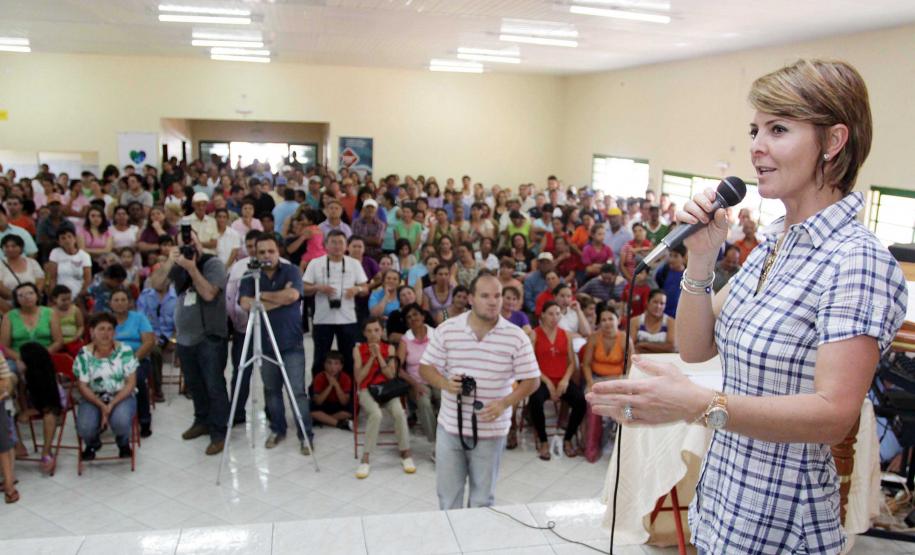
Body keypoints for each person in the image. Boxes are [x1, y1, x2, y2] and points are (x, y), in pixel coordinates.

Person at [588, 59, 908, 554]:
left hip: (782, 524)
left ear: (833, 140)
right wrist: (701, 259)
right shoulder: (775, 244)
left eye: (778, 129)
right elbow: (696, 348)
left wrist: (696, 404)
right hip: (724, 503)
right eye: (755, 130)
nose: (756, 145)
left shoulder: (855, 259)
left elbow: (833, 415)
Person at [420, 274, 539, 508]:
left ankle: (475, 533)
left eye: (497, 296)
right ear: (471, 299)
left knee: (482, 500)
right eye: (485, 296)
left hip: (491, 431)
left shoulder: (515, 336)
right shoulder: (447, 329)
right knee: (448, 497)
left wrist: (505, 403)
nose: (493, 302)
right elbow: (425, 368)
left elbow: (532, 380)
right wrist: (445, 384)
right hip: (450, 428)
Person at [149, 228, 229, 455]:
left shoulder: (213, 264)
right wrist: (169, 262)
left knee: (214, 385)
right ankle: (201, 421)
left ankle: (219, 432)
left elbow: (209, 294)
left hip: (209, 337)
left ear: (199, 241)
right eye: (183, 242)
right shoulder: (178, 265)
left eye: (191, 240)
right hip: (185, 338)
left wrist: (192, 268)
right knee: (194, 384)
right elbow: (156, 284)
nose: (188, 245)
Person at [239, 234, 314, 455]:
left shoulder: (292, 271)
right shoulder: (249, 276)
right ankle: (277, 429)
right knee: (271, 391)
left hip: (291, 343)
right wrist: (279, 299)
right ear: (255, 254)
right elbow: (245, 304)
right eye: (261, 252)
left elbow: (292, 296)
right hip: (264, 345)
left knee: (297, 392)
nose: (266, 255)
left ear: (278, 251)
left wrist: (260, 296)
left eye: (271, 251)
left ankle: (305, 435)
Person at [353, 317, 415, 478]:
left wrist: (379, 356)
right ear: (364, 333)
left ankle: (405, 452)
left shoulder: (390, 348)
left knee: (400, 412)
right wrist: (371, 358)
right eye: (369, 331)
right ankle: (366, 457)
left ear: (382, 332)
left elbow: (390, 375)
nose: (373, 334)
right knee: (376, 414)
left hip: (386, 390)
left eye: (376, 330)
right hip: (366, 389)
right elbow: (359, 379)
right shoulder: (358, 349)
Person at [303, 230, 369, 377]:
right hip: (322, 319)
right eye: (333, 242)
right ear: (326, 245)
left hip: (348, 319)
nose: (337, 246)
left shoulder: (354, 264)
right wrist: (317, 287)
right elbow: (304, 288)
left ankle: (348, 389)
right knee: (320, 358)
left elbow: (365, 288)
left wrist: (357, 289)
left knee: (348, 358)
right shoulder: (315, 263)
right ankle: (318, 389)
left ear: (346, 246)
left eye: (340, 242)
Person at [73, 312, 138, 461]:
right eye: (101, 329)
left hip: (121, 395)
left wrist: (111, 404)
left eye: (109, 329)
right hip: (93, 396)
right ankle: (93, 444)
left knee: (120, 422)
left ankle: (123, 443)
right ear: (92, 331)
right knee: (85, 428)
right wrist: (102, 405)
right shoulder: (84, 354)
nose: (106, 333)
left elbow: (131, 383)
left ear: (114, 332)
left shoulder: (125, 351)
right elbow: (83, 386)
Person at [531, 301, 586, 459]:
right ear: (542, 315)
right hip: (542, 379)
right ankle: (543, 441)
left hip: (562, 379)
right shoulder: (535, 334)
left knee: (581, 401)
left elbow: (572, 363)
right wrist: (548, 383)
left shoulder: (566, 335)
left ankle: (568, 439)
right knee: (535, 400)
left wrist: (565, 380)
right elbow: (531, 363)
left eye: (557, 314)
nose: (554, 317)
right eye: (550, 314)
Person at [108, 288, 155, 438]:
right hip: (112, 361)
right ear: (110, 303)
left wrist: (132, 360)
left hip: (137, 359)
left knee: (138, 380)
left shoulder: (139, 318)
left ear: (129, 303)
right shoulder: (106, 320)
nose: (120, 303)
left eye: (123, 300)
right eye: (116, 300)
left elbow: (149, 342)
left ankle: (144, 419)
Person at [397, 303, 438, 444]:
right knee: (424, 402)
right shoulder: (405, 340)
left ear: (423, 316)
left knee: (446, 399)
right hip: (417, 382)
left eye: (415, 314)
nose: (412, 318)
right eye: (408, 317)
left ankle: (450, 438)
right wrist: (415, 385)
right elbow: (398, 369)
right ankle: (435, 443)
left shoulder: (436, 334)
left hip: (437, 379)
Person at [0, 235, 45, 313]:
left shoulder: (32, 262)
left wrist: (30, 297)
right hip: (8, 306)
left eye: (13, 246)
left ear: (21, 248)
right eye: (6, 246)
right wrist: (18, 298)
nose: (10, 249)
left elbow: (40, 281)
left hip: (32, 304)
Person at [309, 351, 353, 431]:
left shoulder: (345, 377)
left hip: (338, 405)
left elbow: (344, 402)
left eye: (336, 363)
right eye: (329, 363)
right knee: (311, 411)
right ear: (324, 365)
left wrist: (336, 385)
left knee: (350, 412)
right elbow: (318, 401)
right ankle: (339, 424)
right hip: (324, 404)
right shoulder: (319, 377)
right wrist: (330, 386)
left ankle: (323, 420)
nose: (332, 367)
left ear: (341, 366)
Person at [46, 228, 92, 300]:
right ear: (59, 242)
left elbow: (87, 280)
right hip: (60, 295)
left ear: (75, 239)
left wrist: (79, 296)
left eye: (69, 236)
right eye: (63, 238)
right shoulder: (55, 253)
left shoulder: (84, 256)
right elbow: (52, 278)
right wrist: (53, 296)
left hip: (79, 295)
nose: (67, 240)